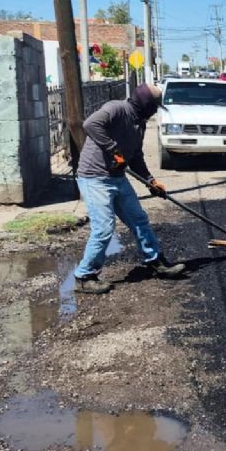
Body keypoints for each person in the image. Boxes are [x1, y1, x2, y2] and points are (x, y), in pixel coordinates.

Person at [73, 83, 185, 294]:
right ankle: (84, 276)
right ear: (143, 104)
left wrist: (150, 181)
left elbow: (135, 157)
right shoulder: (116, 108)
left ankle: (155, 261)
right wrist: (113, 149)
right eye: (153, 107)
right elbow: (90, 124)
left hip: (117, 177)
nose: (154, 111)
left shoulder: (139, 123)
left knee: (139, 218)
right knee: (104, 228)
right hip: (95, 178)